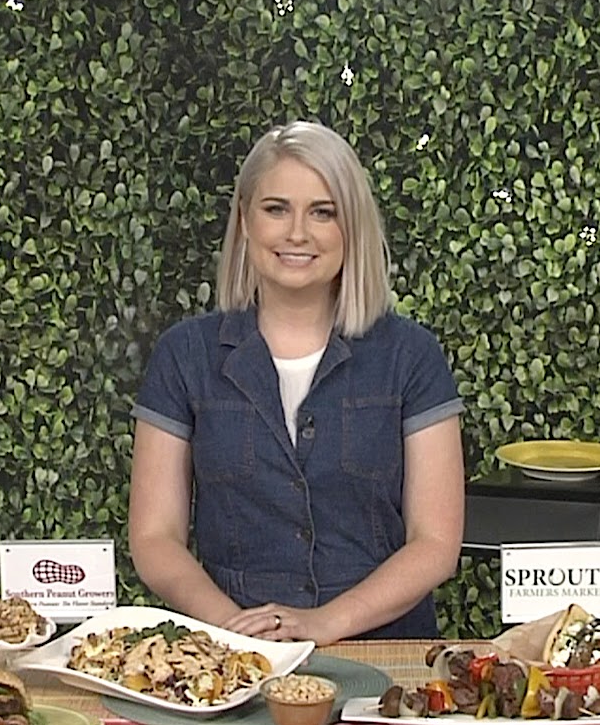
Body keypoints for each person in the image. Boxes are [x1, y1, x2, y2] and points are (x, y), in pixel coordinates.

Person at [128, 120, 465, 644]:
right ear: (245, 219)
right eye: (276, 209)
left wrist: (325, 623)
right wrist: (236, 633)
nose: (297, 233)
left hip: (386, 657)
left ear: (352, 225)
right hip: (235, 661)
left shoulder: (411, 355)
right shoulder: (184, 355)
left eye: (323, 212)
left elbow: (436, 542)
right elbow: (155, 537)